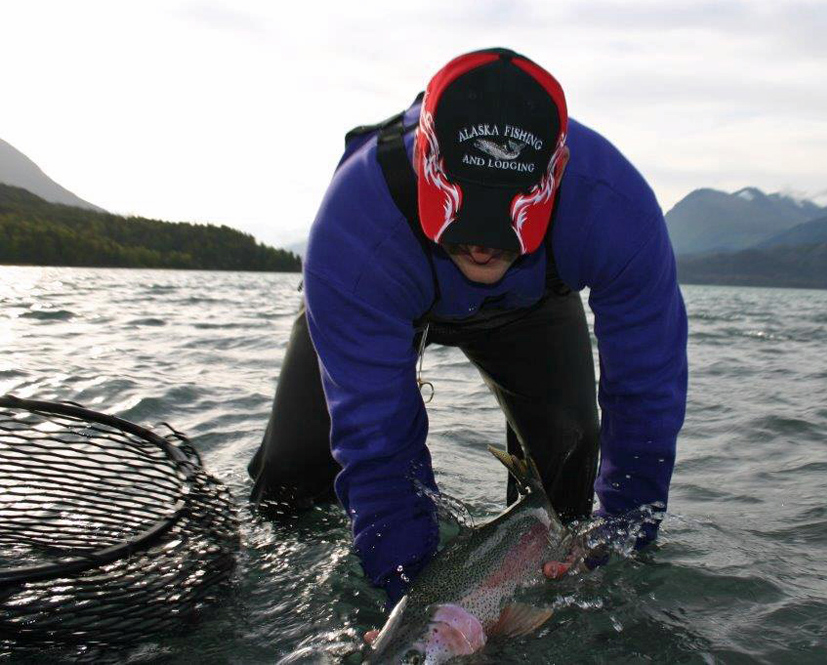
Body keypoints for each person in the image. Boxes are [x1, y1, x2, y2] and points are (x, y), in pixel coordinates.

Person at [248, 47, 688, 607]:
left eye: (505, 221)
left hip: (530, 305)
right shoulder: (355, 221)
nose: (481, 242)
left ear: (555, 179)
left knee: (570, 457)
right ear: (425, 160)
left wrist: (617, 551)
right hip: (382, 291)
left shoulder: (613, 207)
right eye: (466, 215)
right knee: (288, 479)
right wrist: (413, 600)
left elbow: (647, 396)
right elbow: (376, 441)